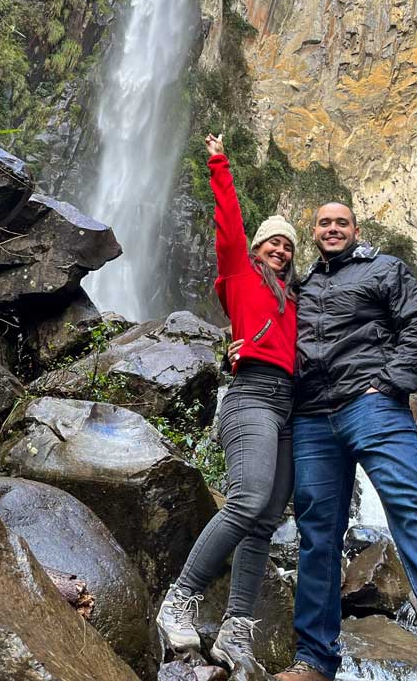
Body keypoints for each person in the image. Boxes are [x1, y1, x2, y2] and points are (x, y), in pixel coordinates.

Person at [230, 202, 417, 681]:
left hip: (372, 406)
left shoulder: (384, 268)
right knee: (318, 535)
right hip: (310, 418)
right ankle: (314, 661)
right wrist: (239, 347)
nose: (332, 228)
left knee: (411, 505)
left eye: (341, 222)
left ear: (355, 230)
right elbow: (265, 325)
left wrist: (389, 382)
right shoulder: (296, 287)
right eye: (324, 222)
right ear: (314, 232)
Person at [156, 132, 299, 671]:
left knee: (265, 519)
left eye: (287, 245)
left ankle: (235, 631)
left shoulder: (293, 300)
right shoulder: (239, 273)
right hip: (251, 398)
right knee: (246, 501)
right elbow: (230, 228)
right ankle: (180, 600)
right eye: (273, 242)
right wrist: (219, 163)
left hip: (288, 407)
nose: (280, 249)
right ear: (258, 248)